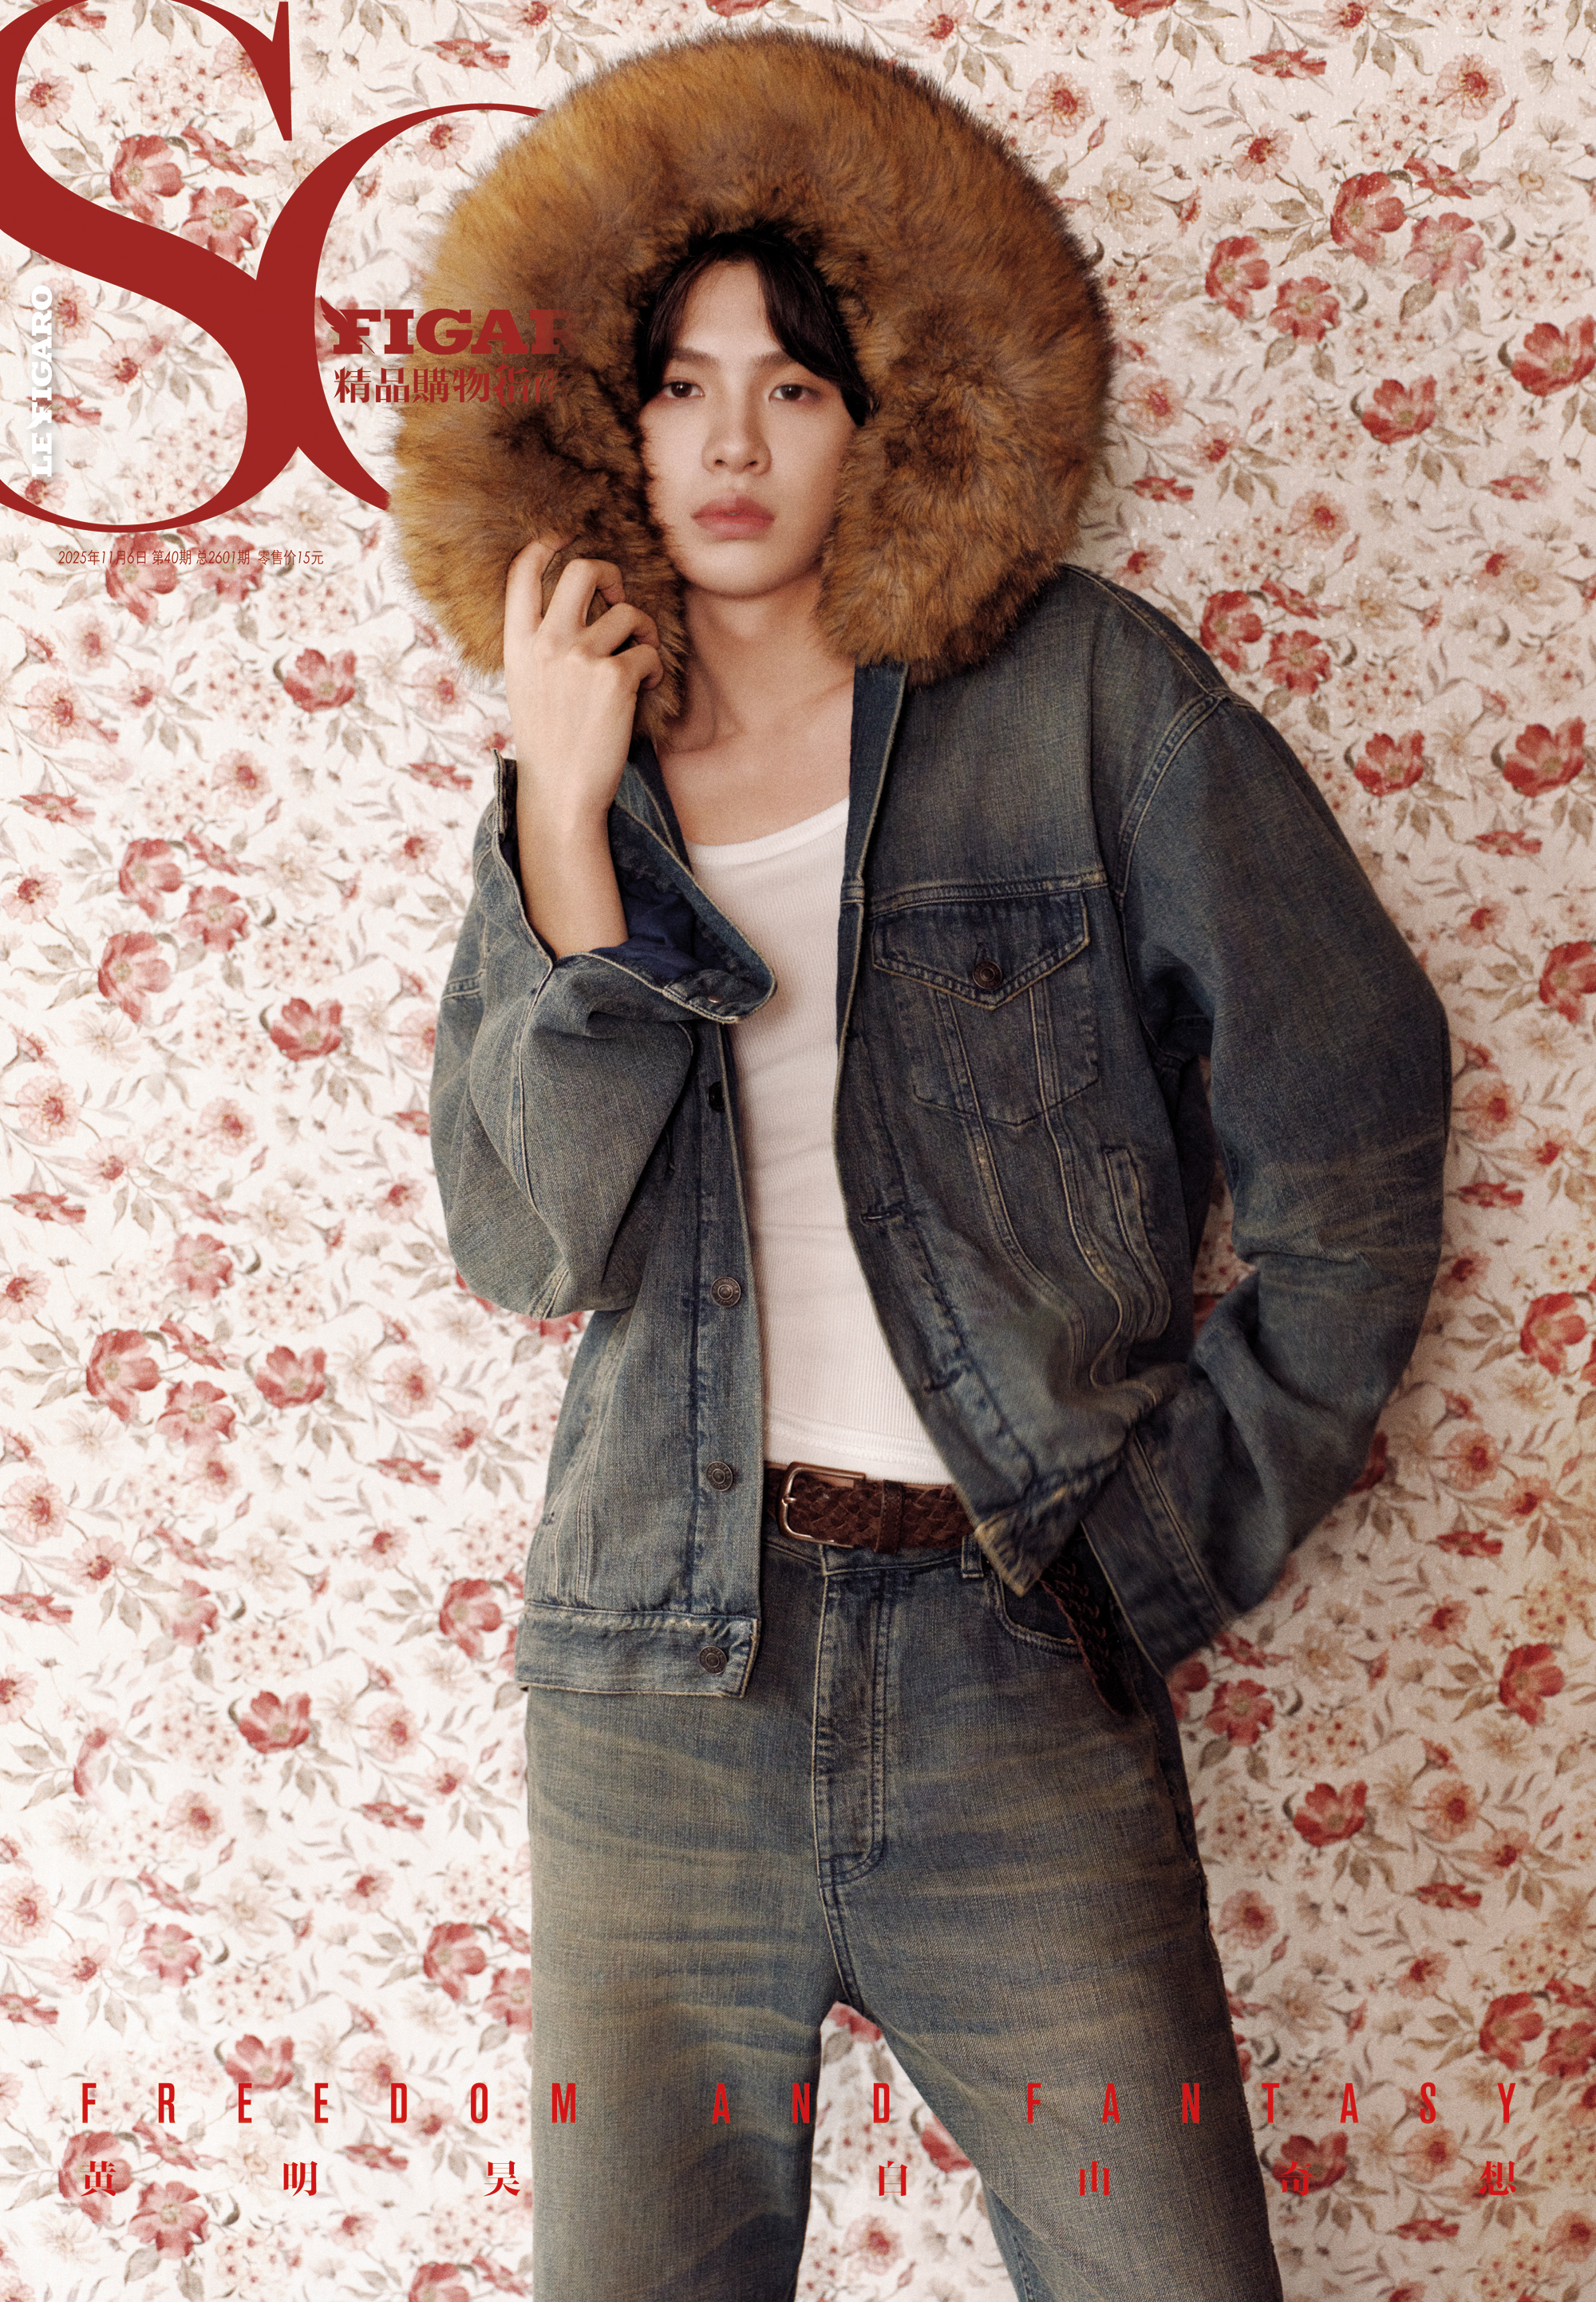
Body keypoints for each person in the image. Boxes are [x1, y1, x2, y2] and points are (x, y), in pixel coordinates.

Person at [394, 30, 1451, 2301]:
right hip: (656, 1692)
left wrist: (1147, 1559)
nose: (733, 443)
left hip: (1015, 1664)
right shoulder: (571, 783)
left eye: (793, 384)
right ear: (607, 427)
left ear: (888, 416)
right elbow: (525, 1238)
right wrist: (563, 816)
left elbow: (1357, 1146)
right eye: (681, 387)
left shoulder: (1089, 702)